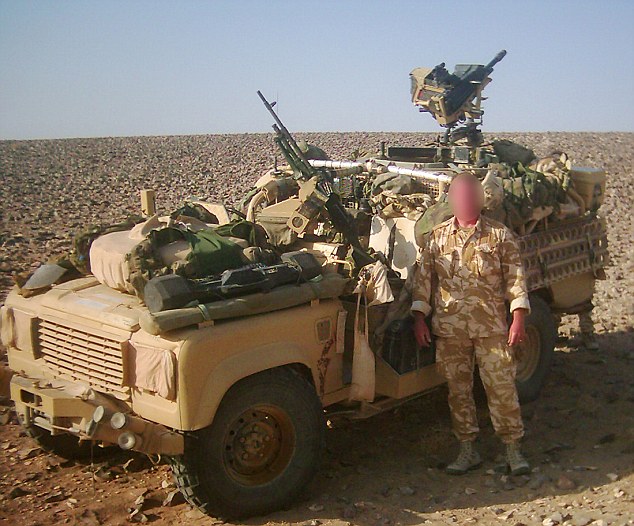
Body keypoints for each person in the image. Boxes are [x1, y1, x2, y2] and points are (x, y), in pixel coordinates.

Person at [411, 172, 531, 476]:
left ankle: (513, 450)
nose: (465, 200)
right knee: (458, 392)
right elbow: (424, 282)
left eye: (470, 195)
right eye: (459, 196)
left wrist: (518, 319)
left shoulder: (500, 236)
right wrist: (419, 319)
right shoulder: (437, 237)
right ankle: (467, 450)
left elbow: (516, 280)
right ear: (451, 199)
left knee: (501, 389)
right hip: (451, 331)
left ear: (479, 198)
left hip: (491, 329)